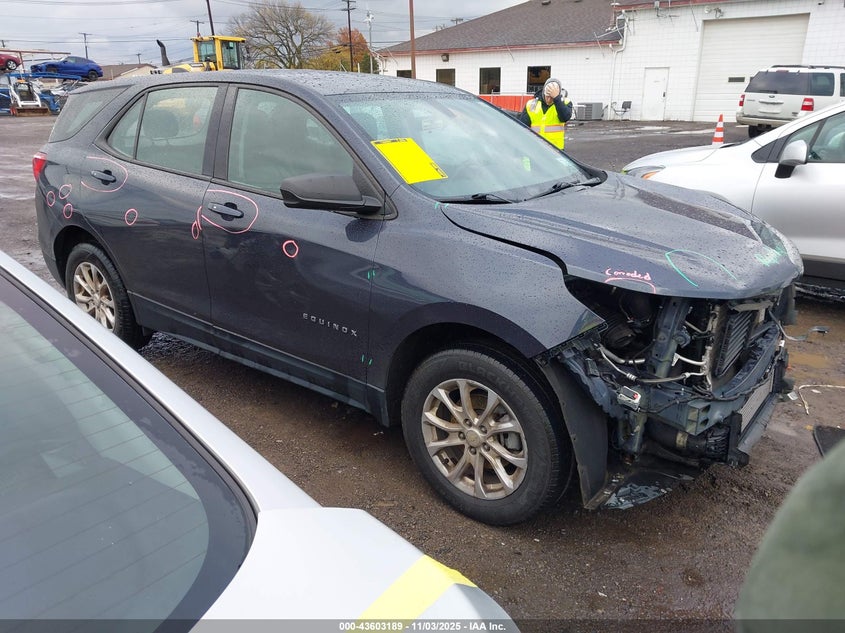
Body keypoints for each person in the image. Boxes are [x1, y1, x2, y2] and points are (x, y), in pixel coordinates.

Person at [518, 77, 573, 150]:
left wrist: (557, 99)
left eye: (552, 97)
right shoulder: (531, 104)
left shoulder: (565, 102)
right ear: (543, 92)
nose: (549, 100)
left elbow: (565, 117)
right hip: (535, 149)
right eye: (547, 96)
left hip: (556, 150)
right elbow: (522, 128)